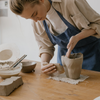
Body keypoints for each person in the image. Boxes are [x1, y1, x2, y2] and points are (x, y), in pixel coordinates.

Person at [9, 0, 100, 75]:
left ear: (41, 0)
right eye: (30, 18)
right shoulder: (37, 22)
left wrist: (78, 37)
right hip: (65, 57)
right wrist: (44, 63)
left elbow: (98, 23)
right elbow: (45, 46)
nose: (35, 20)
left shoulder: (71, 2)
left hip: (92, 54)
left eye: (34, 14)